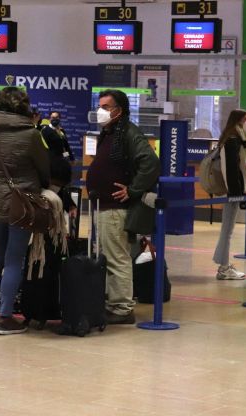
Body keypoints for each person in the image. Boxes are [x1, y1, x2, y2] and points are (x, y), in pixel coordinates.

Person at [0, 87, 50, 335]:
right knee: (14, 259)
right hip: (22, 202)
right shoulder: (31, 134)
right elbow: (44, 166)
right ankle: (6, 317)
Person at [85, 89, 160, 324]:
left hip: (116, 207)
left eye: (106, 107)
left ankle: (122, 308)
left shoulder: (128, 132)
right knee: (110, 255)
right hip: (104, 205)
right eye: (100, 106)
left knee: (117, 257)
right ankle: (114, 302)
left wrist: (133, 189)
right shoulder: (109, 133)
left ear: (120, 110)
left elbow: (150, 162)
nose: (101, 111)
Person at [212, 109, 246, 280]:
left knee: (227, 229)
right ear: (238, 120)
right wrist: (237, 194)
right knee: (227, 229)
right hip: (233, 191)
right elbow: (231, 169)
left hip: (234, 189)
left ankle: (223, 264)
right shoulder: (233, 139)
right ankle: (223, 268)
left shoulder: (235, 136)